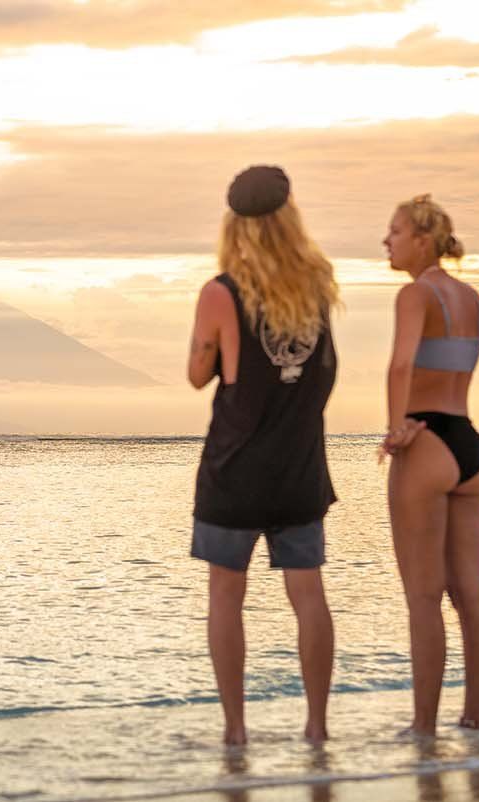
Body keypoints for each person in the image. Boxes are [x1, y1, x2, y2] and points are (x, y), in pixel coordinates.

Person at [188, 165, 339, 744]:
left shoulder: (221, 292)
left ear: (235, 226)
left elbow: (199, 374)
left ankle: (235, 731)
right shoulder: (318, 288)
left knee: (226, 596)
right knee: (308, 595)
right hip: (299, 467)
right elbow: (322, 376)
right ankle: (317, 727)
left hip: (235, 470)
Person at [379, 194, 479, 736]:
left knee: (423, 597)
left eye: (394, 232)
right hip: (467, 448)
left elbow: (400, 366)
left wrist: (397, 428)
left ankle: (423, 729)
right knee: (472, 595)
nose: (386, 241)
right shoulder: (471, 298)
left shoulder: (416, 293)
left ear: (421, 240)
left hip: (426, 442)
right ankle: (476, 720)